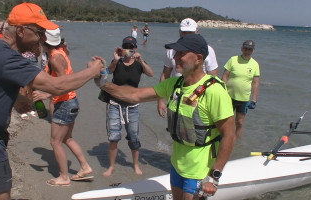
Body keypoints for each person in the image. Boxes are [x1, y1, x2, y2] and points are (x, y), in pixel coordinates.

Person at [0, 2, 104, 200]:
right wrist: (93, 70)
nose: (43, 38)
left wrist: (16, 98)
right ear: (20, 30)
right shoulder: (9, 59)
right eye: (39, 32)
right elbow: (57, 86)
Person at [95, 34, 236, 199]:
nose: (175, 57)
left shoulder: (214, 91)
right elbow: (134, 95)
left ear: (198, 58)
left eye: (181, 54)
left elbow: (229, 135)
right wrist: (103, 82)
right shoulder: (174, 85)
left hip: (199, 169)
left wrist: (214, 176)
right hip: (176, 164)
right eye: (175, 53)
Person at [33, 28, 93, 186]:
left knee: (55, 142)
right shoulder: (59, 51)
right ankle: (85, 167)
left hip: (65, 103)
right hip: (70, 102)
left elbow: (64, 83)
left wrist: (46, 95)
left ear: (44, 42)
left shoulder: (54, 58)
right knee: (67, 138)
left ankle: (64, 177)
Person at [102, 36, 153, 177]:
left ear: (135, 48)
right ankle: (111, 166)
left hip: (132, 106)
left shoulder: (138, 63)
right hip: (114, 104)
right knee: (113, 137)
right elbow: (107, 73)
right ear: (122, 47)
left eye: (132, 47)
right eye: (126, 46)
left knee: (134, 137)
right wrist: (115, 59)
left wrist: (141, 60)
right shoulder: (117, 62)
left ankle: (135, 165)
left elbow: (151, 73)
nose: (129, 49)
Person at [157, 18, 219, 118]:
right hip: (176, 96)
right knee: (175, 128)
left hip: (198, 97)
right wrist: (160, 100)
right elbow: (165, 74)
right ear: (179, 32)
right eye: (184, 32)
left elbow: (213, 76)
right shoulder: (171, 51)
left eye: (190, 32)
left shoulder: (208, 50)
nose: (187, 35)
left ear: (197, 32)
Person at [221, 40, 260, 138]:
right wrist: (222, 92)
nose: (247, 51)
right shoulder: (233, 60)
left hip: (243, 98)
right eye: (245, 48)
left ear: (252, 51)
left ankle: (237, 142)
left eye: (249, 49)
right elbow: (224, 76)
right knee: (225, 121)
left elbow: (255, 83)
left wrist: (254, 100)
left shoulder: (255, 64)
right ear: (242, 48)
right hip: (228, 96)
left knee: (239, 122)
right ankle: (224, 139)